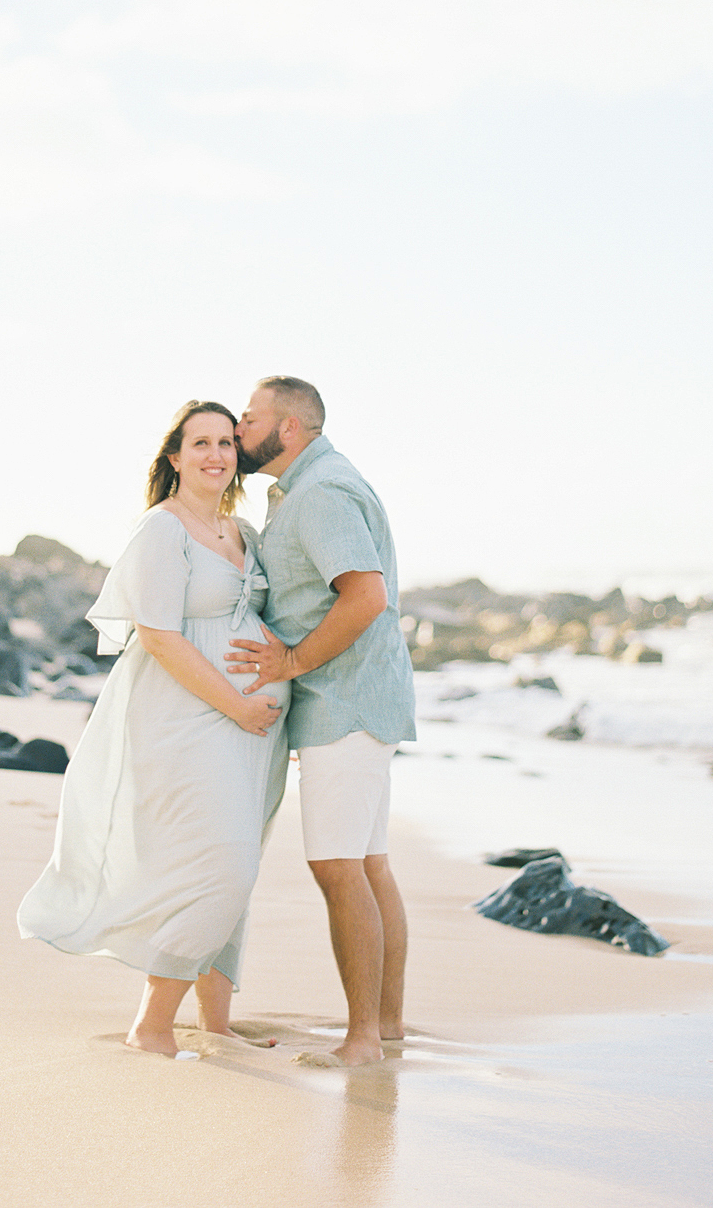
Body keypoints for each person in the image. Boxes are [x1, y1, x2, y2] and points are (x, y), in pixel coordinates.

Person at [17, 400, 290, 1059]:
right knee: (223, 865)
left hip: (247, 730)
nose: (216, 454)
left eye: (226, 442)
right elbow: (161, 637)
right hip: (188, 721)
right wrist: (238, 704)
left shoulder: (242, 532)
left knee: (236, 866)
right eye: (200, 443)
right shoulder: (161, 532)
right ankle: (153, 1025)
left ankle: (216, 1025)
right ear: (175, 457)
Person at [226, 377, 416, 1066]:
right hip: (362, 698)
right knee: (367, 864)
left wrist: (291, 662)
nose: (239, 431)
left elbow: (364, 597)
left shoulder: (321, 494)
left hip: (345, 699)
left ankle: (363, 1039)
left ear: (292, 428)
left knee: (340, 869)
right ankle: (385, 1026)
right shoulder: (310, 486)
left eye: (249, 420)